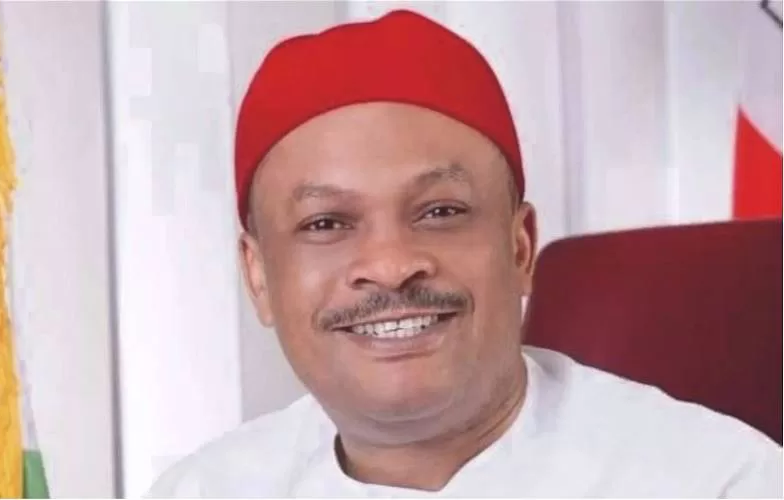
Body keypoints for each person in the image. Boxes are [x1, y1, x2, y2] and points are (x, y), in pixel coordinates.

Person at [148, 10, 782, 498]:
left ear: (520, 246)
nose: (391, 264)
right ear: (258, 276)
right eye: (326, 223)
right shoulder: (203, 491)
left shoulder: (720, 482)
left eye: (441, 213)